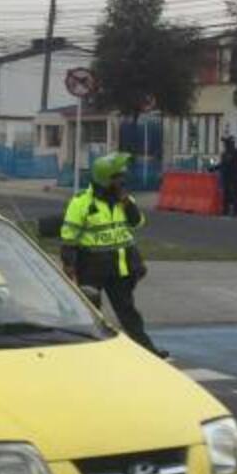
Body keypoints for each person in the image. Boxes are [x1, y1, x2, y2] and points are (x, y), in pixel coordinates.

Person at [60, 152, 167, 358]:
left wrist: (127, 203)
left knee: (128, 313)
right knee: (91, 312)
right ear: (105, 179)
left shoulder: (123, 200)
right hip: (91, 268)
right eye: (117, 177)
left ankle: (147, 352)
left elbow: (138, 222)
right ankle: (89, 354)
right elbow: (69, 236)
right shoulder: (81, 202)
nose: (122, 180)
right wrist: (69, 264)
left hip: (120, 268)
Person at [217, 136, 237, 216]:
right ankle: (225, 210)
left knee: (235, 194)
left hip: (234, 176)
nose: (225, 145)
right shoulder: (225, 153)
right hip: (227, 176)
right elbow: (222, 164)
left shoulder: (235, 153)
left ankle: (236, 211)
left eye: (226, 143)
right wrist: (214, 168)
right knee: (226, 194)